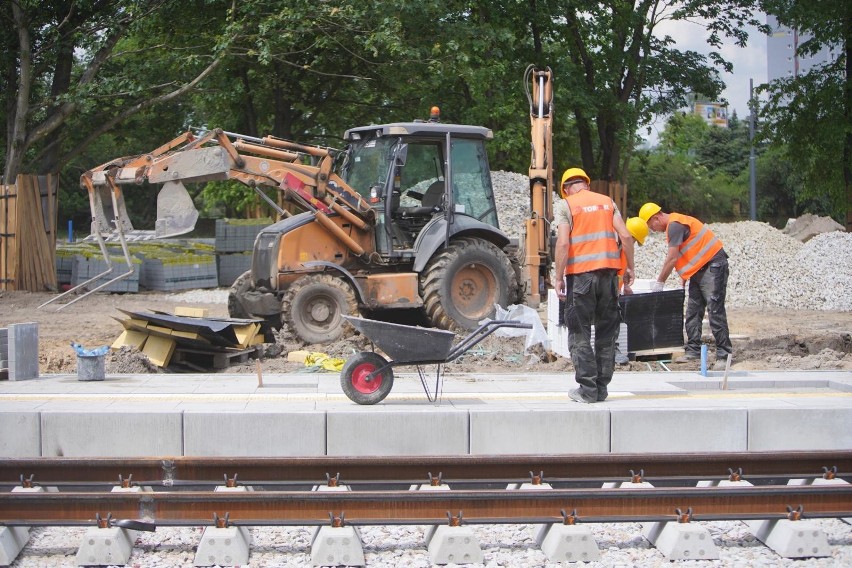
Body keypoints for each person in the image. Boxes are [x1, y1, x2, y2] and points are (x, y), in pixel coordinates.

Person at [554, 168, 634, 403]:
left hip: (580, 278)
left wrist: (558, 277)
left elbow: (563, 243)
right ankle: (601, 389)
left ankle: (587, 390)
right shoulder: (607, 202)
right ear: (586, 184)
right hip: (609, 277)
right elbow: (626, 237)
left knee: (579, 332)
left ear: (567, 189)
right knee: (607, 333)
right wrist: (629, 268)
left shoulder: (566, 205)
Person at [638, 202, 733, 370]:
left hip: (713, 265)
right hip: (699, 270)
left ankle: (724, 355)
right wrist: (685, 274)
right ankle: (693, 350)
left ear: (656, 217)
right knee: (693, 311)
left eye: (651, 225)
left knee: (715, 310)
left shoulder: (675, 225)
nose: (653, 229)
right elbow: (688, 251)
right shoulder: (674, 225)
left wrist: (660, 281)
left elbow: (672, 258)